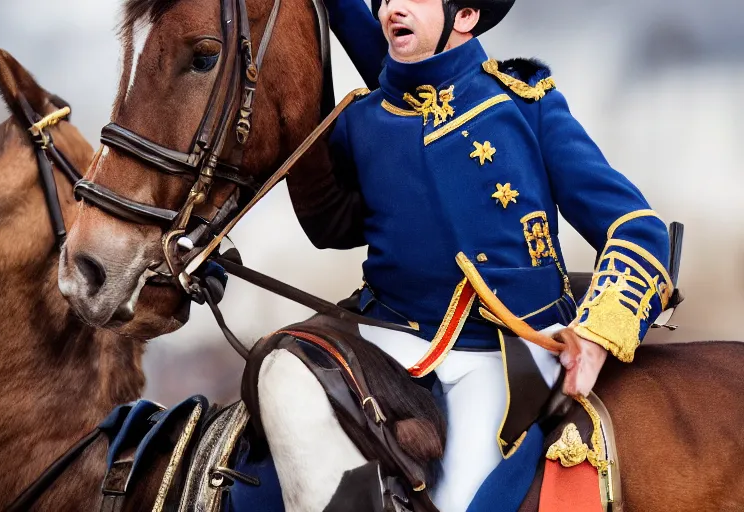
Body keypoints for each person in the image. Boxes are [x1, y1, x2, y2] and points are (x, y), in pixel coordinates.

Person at [284, 0, 673, 509]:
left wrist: (599, 334)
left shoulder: (525, 105)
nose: (392, 7)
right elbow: (332, 227)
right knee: (280, 376)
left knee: (457, 502)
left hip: (501, 350)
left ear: (465, 16)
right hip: (389, 336)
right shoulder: (361, 120)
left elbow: (636, 229)